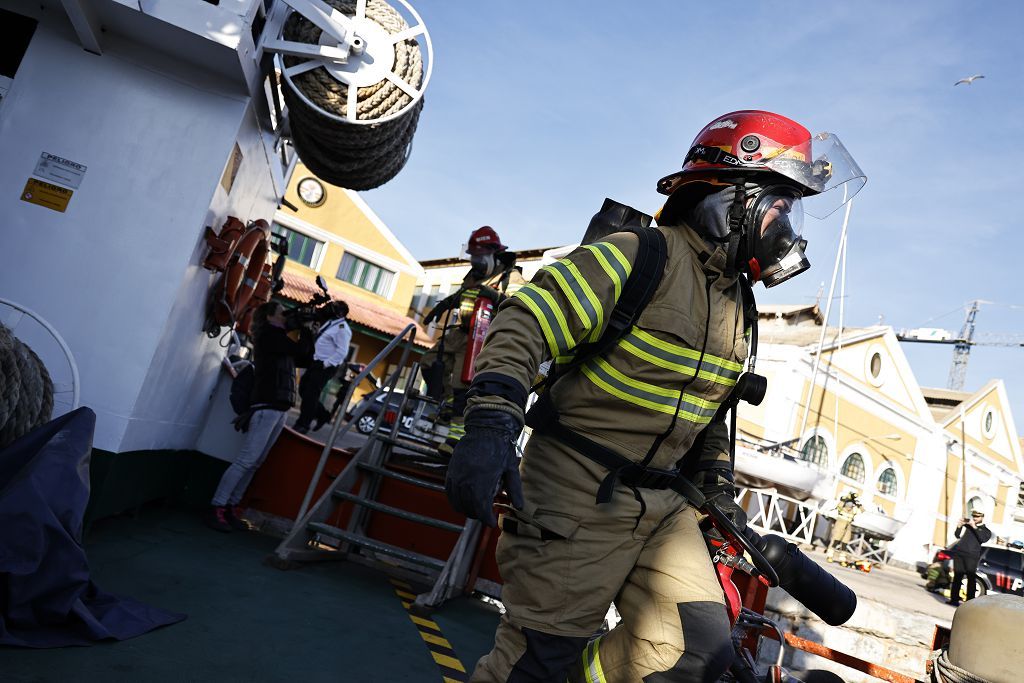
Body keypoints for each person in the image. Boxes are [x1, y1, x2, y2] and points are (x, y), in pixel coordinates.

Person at [444, 110, 864, 681]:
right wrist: (491, 426)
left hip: (664, 508)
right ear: (731, 198)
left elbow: (712, 408)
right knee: (535, 664)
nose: (787, 226)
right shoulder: (639, 255)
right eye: (781, 205)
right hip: (575, 494)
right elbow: (526, 321)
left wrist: (715, 489)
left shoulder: (738, 304)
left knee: (698, 651)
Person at [205, 301, 306, 532]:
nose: (286, 316)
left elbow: (306, 357)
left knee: (255, 463)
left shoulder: (281, 338)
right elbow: (297, 350)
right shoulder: (269, 336)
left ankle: (231, 506)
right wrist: (300, 326)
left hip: (279, 408)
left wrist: (307, 330)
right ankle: (217, 507)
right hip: (266, 406)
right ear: (270, 317)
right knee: (246, 461)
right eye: (282, 313)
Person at [420, 227, 522, 455]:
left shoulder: (509, 277)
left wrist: (495, 296)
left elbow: (519, 302)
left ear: (491, 253)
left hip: (481, 335)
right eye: (473, 256)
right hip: (459, 332)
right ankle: (446, 403)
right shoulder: (474, 275)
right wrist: (443, 304)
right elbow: (463, 296)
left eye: (478, 256)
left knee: (461, 384)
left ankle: (455, 438)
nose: (474, 261)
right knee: (428, 363)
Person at [293, 301, 352, 434]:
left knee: (311, 394)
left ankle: (303, 424)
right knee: (303, 389)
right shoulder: (331, 323)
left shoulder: (342, 329)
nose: (329, 309)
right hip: (316, 362)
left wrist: (325, 364)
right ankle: (322, 415)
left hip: (325, 366)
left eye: (334, 308)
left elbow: (342, 352)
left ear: (340, 313)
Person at [947, 510, 992, 606]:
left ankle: (969, 603)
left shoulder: (986, 531)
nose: (975, 518)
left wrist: (974, 527)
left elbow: (982, 539)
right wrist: (959, 526)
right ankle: (954, 599)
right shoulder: (968, 526)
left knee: (971, 579)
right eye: (974, 516)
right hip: (959, 553)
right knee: (957, 577)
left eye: (977, 516)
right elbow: (957, 535)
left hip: (971, 556)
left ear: (982, 517)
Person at [825, 491, 863, 563]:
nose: (850, 506)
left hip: (848, 525)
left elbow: (862, 511)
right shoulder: (842, 504)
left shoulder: (854, 507)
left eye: (851, 505)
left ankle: (842, 559)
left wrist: (858, 504)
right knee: (835, 540)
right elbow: (838, 506)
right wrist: (845, 499)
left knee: (845, 542)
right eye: (849, 504)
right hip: (840, 524)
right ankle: (830, 556)